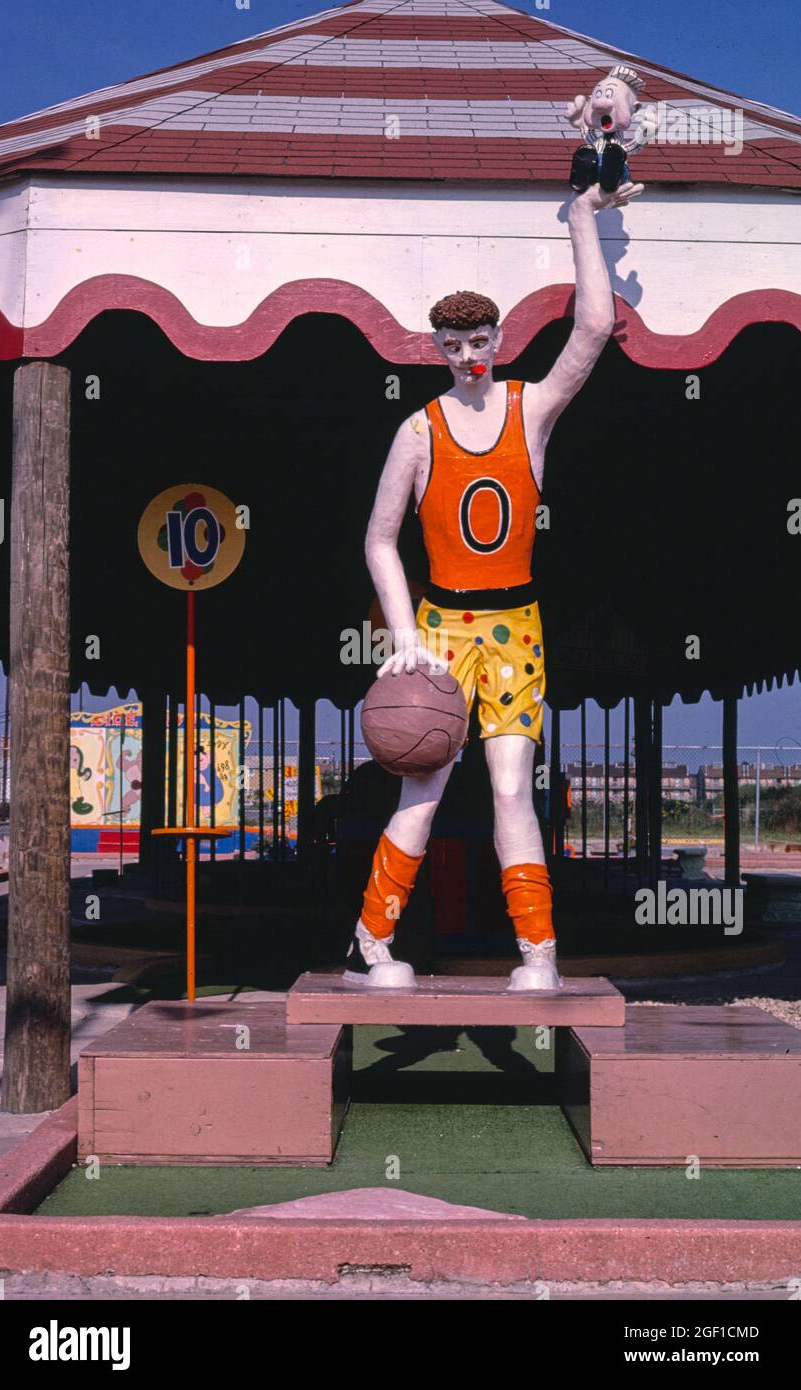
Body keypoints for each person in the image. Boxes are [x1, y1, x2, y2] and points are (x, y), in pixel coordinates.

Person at [344, 179, 642, 990]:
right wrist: (404, 637)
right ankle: (373, 942)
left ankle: (538, 954)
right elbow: (379, 539)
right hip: (440, 629)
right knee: (423, 781)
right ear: (435, 347)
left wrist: (583, 218)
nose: (468, 358)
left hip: (516, 627)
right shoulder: (418, 430)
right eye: (452, 346)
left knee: (513, 786)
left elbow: (593, 326)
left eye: (478, 342)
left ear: (498, 338)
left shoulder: (531, 410)